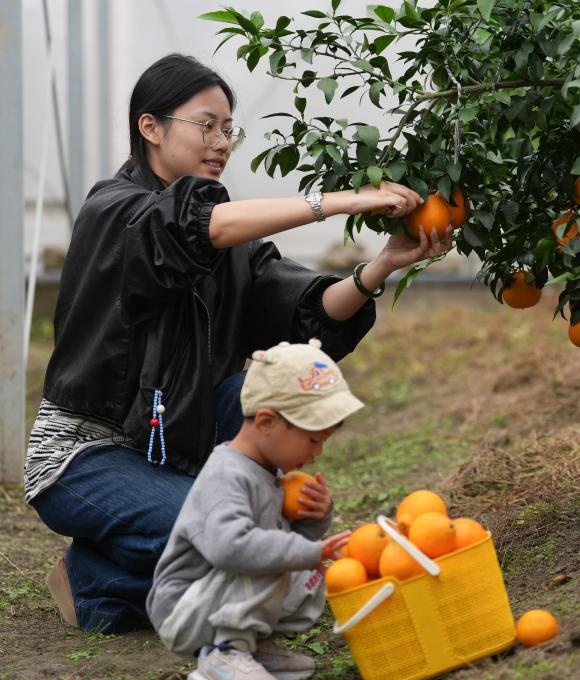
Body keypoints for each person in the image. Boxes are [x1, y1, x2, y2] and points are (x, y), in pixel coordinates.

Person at [24, 53, 450, 633]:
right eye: (206, 125)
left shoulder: (228, 240)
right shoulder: (115, 211)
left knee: (269, 405)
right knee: (231, 543)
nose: (222, 142)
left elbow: (303, 312)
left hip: (177, 436)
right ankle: (94, 578)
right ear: (150, 127)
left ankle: (123, 556)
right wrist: (339, 200)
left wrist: (382, 266)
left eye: (228, 129)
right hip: (84, 457)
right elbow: (191, 227)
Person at [148, 339, 359, 680]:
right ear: (266, 422)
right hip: (185, 609)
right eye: (312, 440)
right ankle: (224, 654)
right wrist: (310, 550)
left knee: (301, 567)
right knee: (269, 556)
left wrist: (314, 519)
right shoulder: (226, 475)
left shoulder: (268, 472)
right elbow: (232, 548)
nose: (317, 453)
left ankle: (248, 649)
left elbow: (281, 538)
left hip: (217, 599)